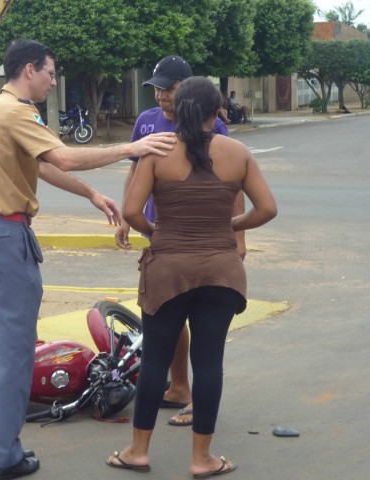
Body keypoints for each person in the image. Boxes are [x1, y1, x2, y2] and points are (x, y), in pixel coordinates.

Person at [0, 38, 177, 480]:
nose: (53, 80)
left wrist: (92, 194)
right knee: (16, 353)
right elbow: (62, 156)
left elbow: (41, 165)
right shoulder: (19, 111)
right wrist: (131, 149)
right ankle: (5, 456)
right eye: (49, 72)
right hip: (5, 236)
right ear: (27, 71)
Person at [105, 76, 277, 477]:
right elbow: (267, 208)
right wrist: (230, 223)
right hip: (221, 269)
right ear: (217, 110)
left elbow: (132, 212)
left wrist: (156, 233)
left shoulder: (158, 152)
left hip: (168, 270)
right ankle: (202, 459)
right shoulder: (238, 153)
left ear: (179, 110)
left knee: (155, 363)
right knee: (209, 360)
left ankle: (138, 452)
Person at [115, 55, 245, 429]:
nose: (161, 96)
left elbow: (232, 186)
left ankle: (183, 392)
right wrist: (128, 219)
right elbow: (133, 174)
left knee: (189, 321)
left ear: (186, 91)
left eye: (168, 89)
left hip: (199, 239)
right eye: (156, 89)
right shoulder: (146, 123)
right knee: (172, 315)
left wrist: (237, 234)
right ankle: (180, 388)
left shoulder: (214, 126)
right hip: (163, 236)